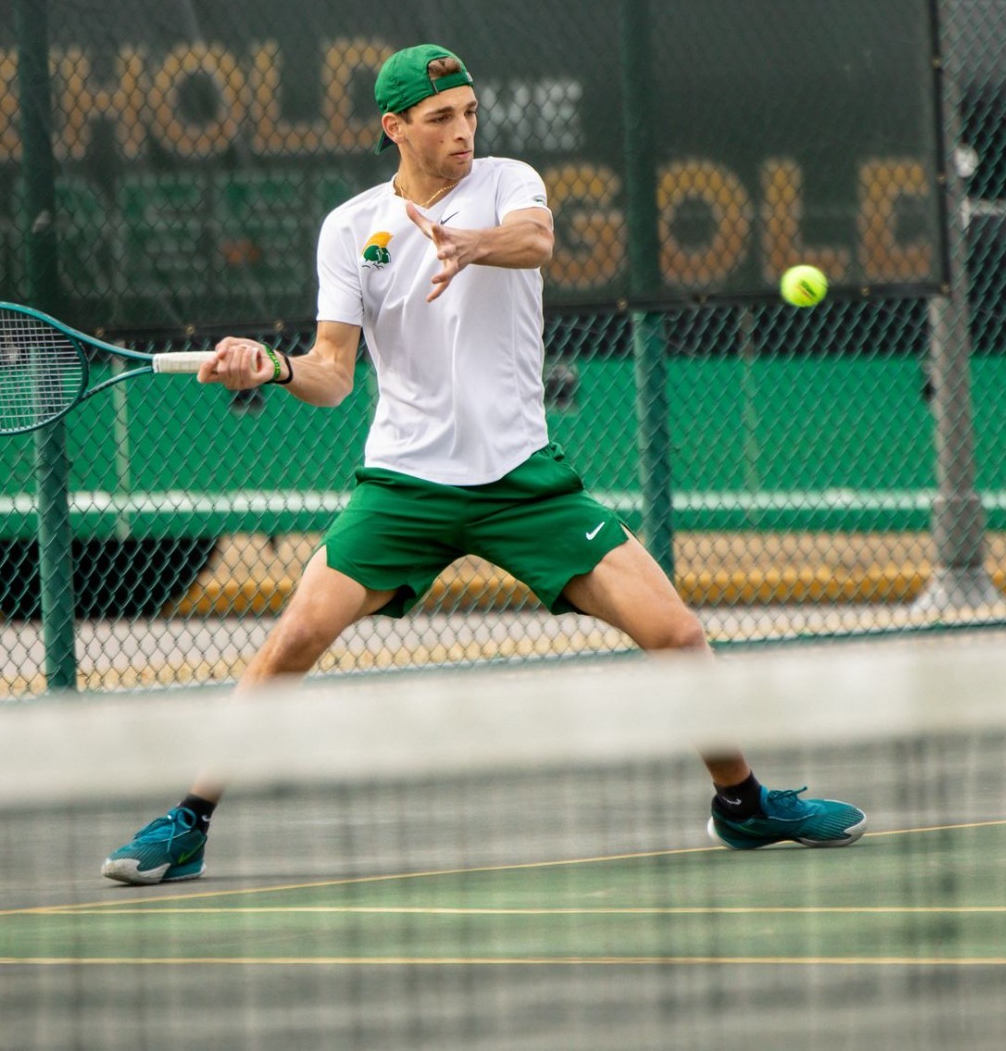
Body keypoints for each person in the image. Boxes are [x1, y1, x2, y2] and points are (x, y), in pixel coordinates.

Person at [102, 44, 863, 884]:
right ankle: (189, 822)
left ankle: (744, 806)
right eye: (440, 119)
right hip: (404, 484)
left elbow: (538, 239)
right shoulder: (351, 228)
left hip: (521, 481)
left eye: (469, 111)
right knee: (295, 637)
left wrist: (473, 244)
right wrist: (274, 368)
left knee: (678, 633)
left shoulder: (508, 183)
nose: (463, 131)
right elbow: (330, 373)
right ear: (394, 127)